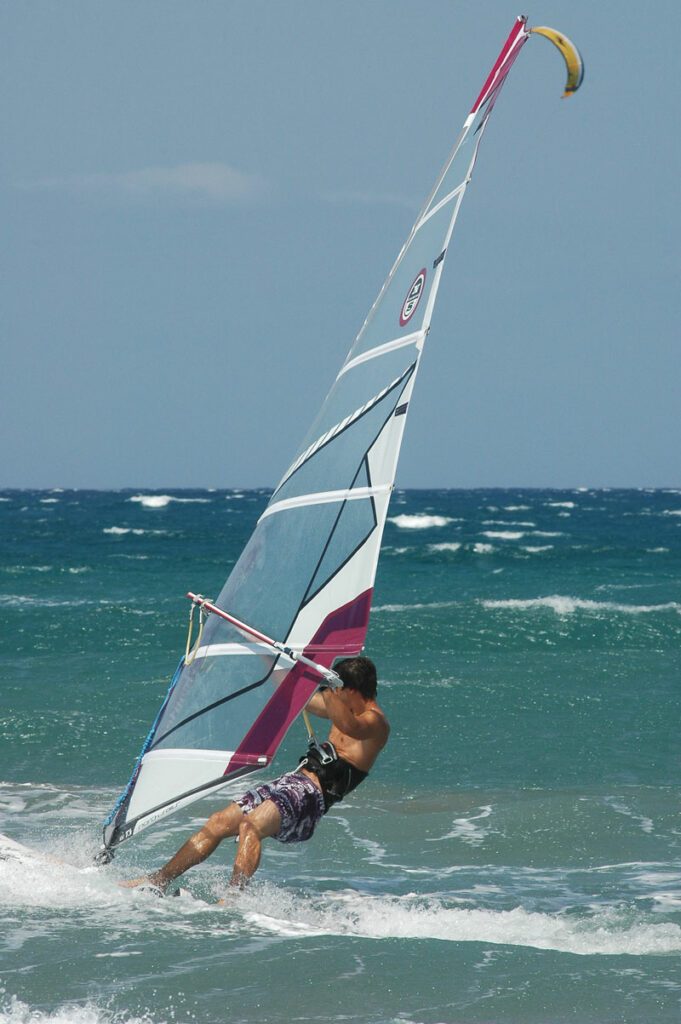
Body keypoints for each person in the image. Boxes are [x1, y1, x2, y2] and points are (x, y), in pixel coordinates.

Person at [121, 656, 389, 894]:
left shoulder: (375, 722)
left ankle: (233, 899)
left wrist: (327, 685)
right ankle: (160, 880)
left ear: (351, 691)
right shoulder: (344, 705)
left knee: (250, 826)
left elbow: (348, 725)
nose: (334, 695)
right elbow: (294, 693)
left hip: (312, 796)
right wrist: (271, 655)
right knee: (217, 823)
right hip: (293, 781)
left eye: (339, 691)